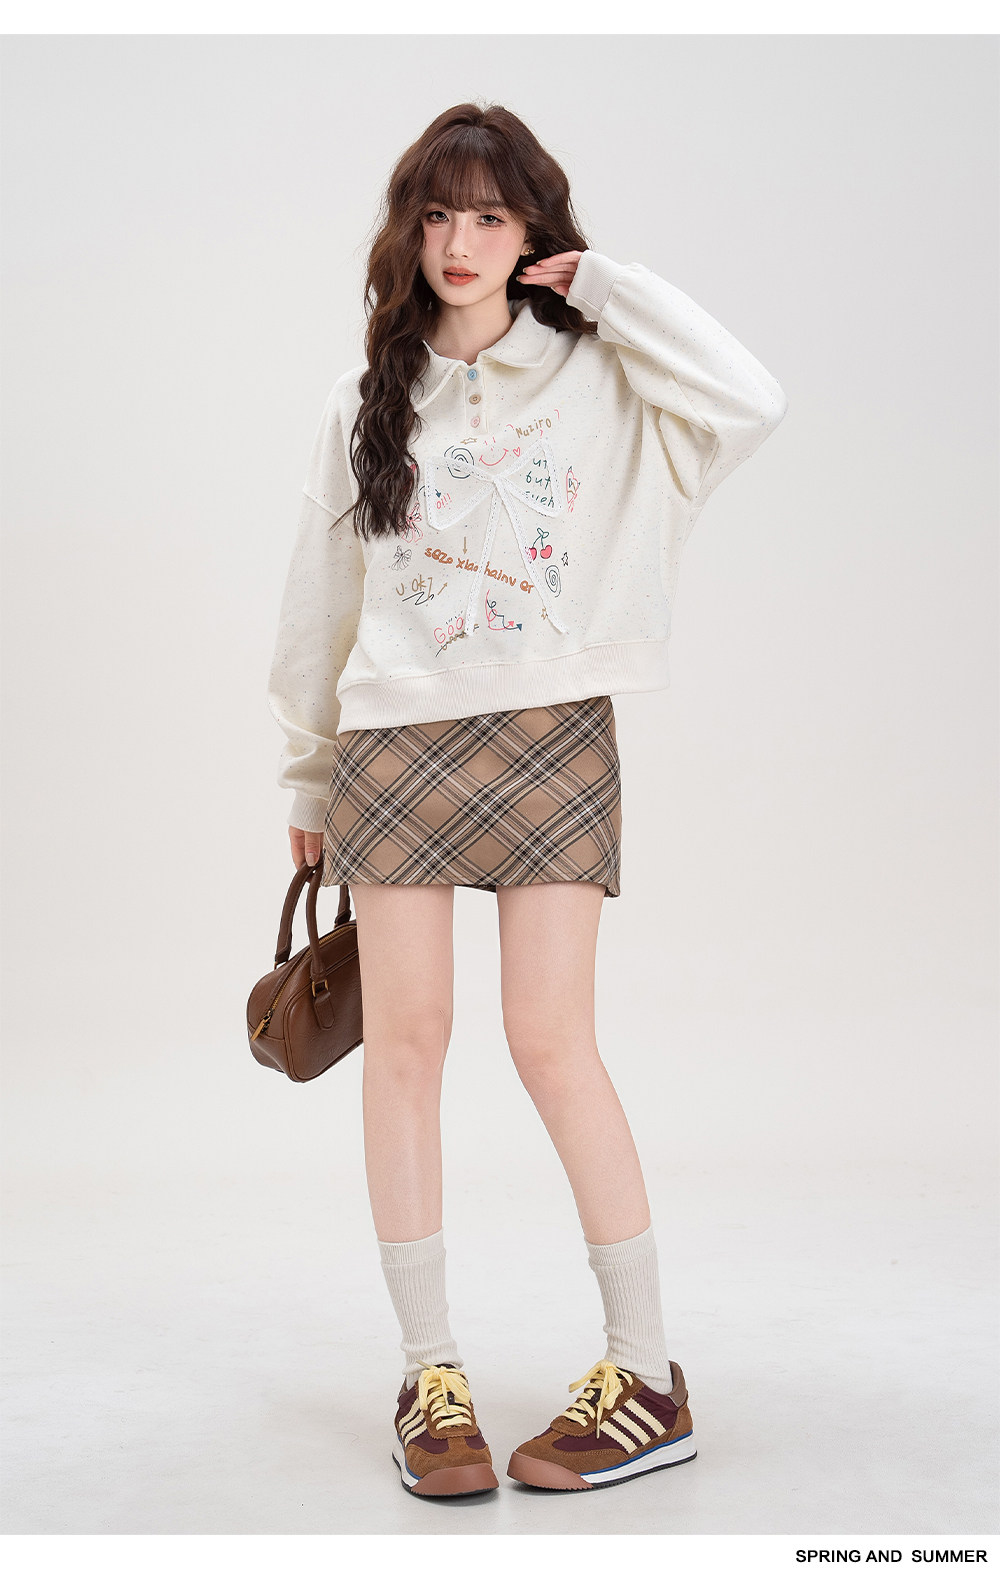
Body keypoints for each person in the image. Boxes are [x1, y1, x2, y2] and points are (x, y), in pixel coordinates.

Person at [266, 102, 787, 1498]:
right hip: (394, 745)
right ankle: (428, 1373)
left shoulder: (608, 378)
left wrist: (609, 289)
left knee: (554, 1042)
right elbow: (321, 599)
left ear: (534, 234)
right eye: (437, 213)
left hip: (553, 734)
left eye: (491, 215)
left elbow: (754, 399)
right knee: (407, 1046)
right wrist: (307, 767)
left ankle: (647, 1372)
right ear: (408, 230)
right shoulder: (366, 400)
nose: (459, 241)